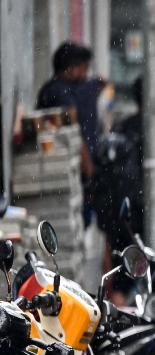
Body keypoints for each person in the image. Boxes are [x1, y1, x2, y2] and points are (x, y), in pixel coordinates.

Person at [36, 41, 106, 225]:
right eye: (84, 69)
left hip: (70, 177)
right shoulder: (59, 94)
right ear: (72, 68)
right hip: (61, 177)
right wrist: (90, 174)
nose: (85, 74)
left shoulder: (62, 90)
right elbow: (75, 137)